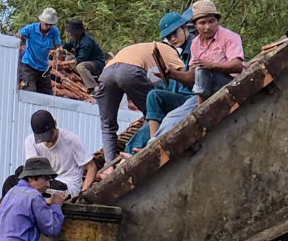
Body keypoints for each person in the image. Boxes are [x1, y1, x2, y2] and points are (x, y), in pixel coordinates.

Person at [95, 36, 186, 165]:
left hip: (107, 73)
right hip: (129, 71)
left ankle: (108, 164)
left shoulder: (140, 47)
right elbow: (185, 75)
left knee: (107, 124)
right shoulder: (170, 50)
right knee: (153, 114)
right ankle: (137, 149)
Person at [126, 10, 195, 155]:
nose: (173, 38)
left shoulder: (195, 47)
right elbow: (169, 86)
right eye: (169, 37)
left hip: (190, 99)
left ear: (185, 28)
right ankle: (128, 155)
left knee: (154, 96)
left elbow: (193, 80)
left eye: (175, 33)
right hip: (177, 99)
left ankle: (153, 145)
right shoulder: (176, 52)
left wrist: (174, 75)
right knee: (143, 131)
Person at [175, 0, 243, 100]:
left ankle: (201, 107)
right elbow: (192, 77)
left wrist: (211, 65)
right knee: (173, 116)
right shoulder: (195, 44)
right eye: (202, 23)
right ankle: (201, 105)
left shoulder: (229, 37)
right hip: (205, 92)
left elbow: (237, 66)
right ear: (195, 26)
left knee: (201, 69)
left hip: (231, 85)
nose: (207, 27)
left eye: (211, 21)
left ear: (217, 21)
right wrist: (172, 74)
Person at [23, 109, 95, 197]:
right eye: (43, 138)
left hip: (67, 184)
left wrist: (83, 193)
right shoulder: (30, 141)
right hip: (42, 182)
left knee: (49, 188)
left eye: (49, 136)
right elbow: (33, 171)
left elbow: (91, 167)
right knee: (13, 180)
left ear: (55, 125)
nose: (47, 141)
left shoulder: (71, 139)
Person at [17, 8, 61, 95]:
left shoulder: (54, 31)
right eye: (46, 24)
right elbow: (20, 34)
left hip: (43, 68)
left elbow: (58, 46)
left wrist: (58, 52)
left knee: (47, 94)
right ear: (41, 21)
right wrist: (19, 36)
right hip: (29, 65)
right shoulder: (31, 28)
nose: (48, 27)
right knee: (30, 92)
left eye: (51, 25)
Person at [61, 19, 108, 91]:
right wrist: (58, 49)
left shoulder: (86, 42)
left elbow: (80, 59)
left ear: (78, 32)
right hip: (85, 61)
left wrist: (62, 63)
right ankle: (83, 76)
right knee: (69, 58)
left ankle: (94, 87)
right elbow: (66, 46)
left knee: (81, 67)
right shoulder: (74, 38)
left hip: (96, 63)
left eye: (72, 33)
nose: (71, 34)